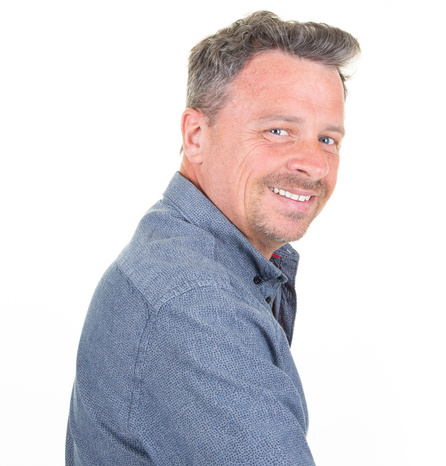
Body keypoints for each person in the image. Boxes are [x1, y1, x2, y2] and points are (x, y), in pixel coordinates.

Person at [66, 11, 360, 465]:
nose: (314, 165)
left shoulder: (180, 251)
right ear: (196, 136)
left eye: (327, 139)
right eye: (278, 131)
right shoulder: (196, 305)